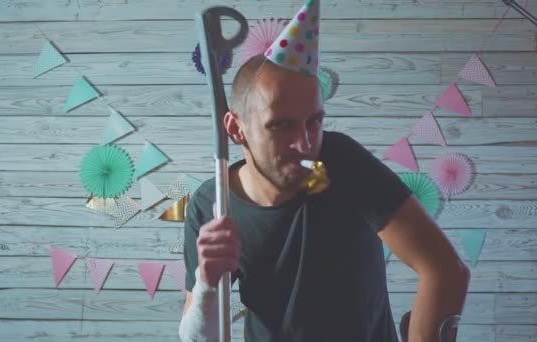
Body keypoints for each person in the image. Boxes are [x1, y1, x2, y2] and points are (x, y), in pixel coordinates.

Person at [179, 2, 470, 341]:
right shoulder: (211, 206)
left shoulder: (341, 162)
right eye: (281, 125)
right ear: (235, 129)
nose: (304, 144)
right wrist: (206, 285)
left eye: (314, 121)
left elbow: (445, 270)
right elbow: (198, 338)